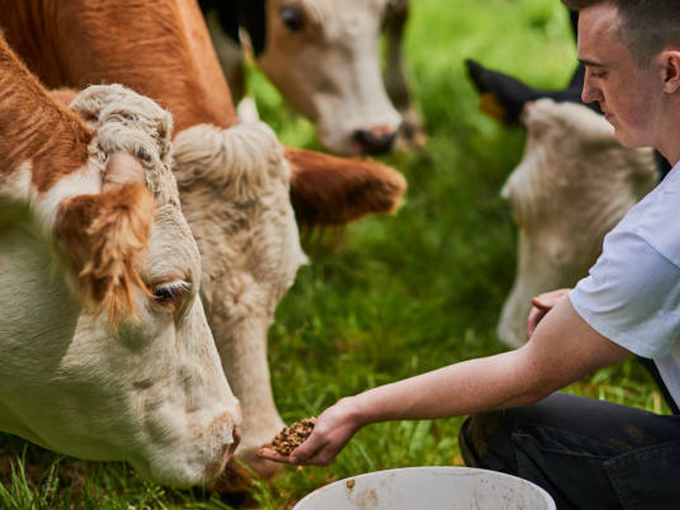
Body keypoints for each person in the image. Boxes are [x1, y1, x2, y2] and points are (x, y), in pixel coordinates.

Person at [259, 1, 680, 508]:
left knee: (508, 431)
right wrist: (593, 307)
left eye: (600, 72)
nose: (588, 93)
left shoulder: (659, 235)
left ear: (670, 70)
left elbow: (529, 376)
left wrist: (357, 408)